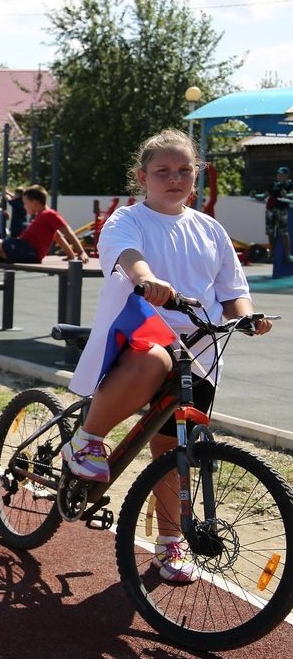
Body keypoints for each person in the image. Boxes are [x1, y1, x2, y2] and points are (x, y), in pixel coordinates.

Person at [64, 129, 272, 582]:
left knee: (174, 453)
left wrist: (248, 317)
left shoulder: (210, 229)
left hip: (198, 351)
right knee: (156, 359)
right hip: (139, 337)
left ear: (195, 176)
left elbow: (234, 291)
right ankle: (86, 438)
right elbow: (128, 256)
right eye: (163, 171)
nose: (174, 179)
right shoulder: (127, 220)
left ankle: (169, 544)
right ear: (143, 177)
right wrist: (148, 279)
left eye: (184, 170)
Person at [0, 184, 88, 296]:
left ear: (34, 203)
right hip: (22, 247)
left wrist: (80, 252)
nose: (24, 206)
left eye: (25, 203)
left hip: (29, 251)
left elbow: (67, 231)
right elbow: (57, 236)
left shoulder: (50, 214)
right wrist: (70, 255)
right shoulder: (41, 216)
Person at [261, 166, 292, 262]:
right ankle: (272, 254)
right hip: (270, 210)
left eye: (282, 174)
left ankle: (287, 255)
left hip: (281, 210)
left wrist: (287, 195)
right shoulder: (273, 185)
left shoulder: (289, 185)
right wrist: (255, 195)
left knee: (283, 232)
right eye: (278, 174)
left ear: (287, 176)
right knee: (270, 232)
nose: (279, 176)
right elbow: (264, 195)